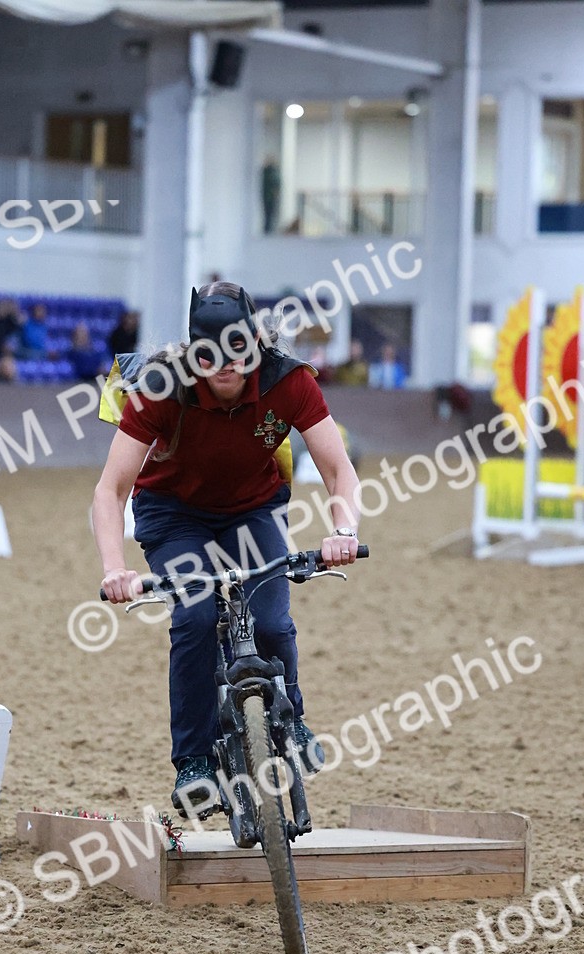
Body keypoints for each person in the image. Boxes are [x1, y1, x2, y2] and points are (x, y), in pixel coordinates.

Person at [92, 281, 362, 813]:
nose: (225, 366)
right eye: (209, 353)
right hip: (173, 515)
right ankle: (193, 762)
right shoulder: (160, 389)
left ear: (255, 344)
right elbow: (110, 490)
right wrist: (113, 568)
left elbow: (338, 469)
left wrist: (343, 532)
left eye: (237, 350)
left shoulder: (288, 382)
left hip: (252, 510)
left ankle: (292, 719)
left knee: (272, 622)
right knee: (194, 618)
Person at [261, 158, 281, 234]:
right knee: (269, 214)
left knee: (269, 215)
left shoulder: (266, 172)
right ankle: (268, 230)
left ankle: (268, 229)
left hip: (268, 197)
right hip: (269, 197)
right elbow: (275, 185)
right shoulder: (271, 173)